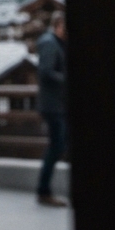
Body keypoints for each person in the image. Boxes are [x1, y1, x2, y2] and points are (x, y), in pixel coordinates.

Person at [36, 11, 70, 207]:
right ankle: (44, 191)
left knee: (58, 146)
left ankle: (44, 190)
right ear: (58, 25)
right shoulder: (50, 43)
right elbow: (46, 72)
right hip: (53, 105)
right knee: (56, 147)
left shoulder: (55, 42)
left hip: (57, 104)